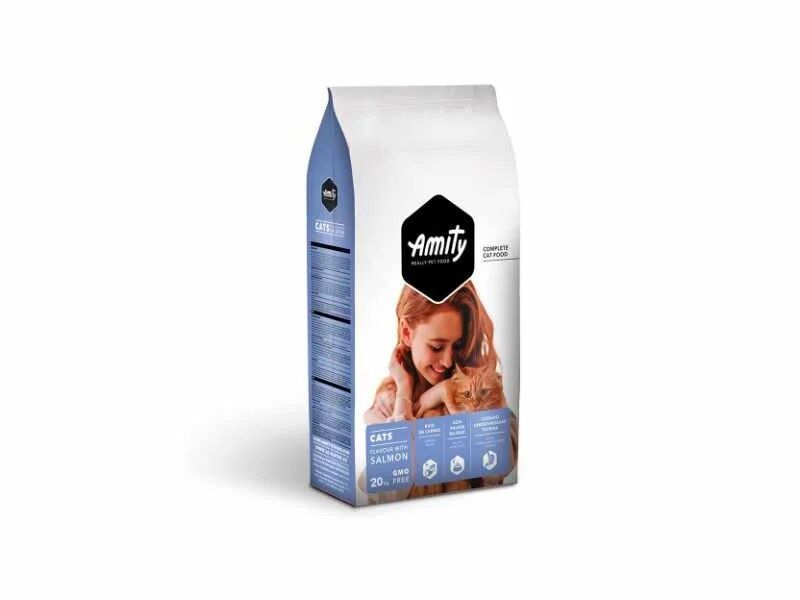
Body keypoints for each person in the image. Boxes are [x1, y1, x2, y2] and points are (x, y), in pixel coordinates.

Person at [361, 282, 518, 502]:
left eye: (457, 346)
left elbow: (498, 467)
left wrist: (448, 391)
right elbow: (387, 491)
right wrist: (404, 391)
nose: (447, 361)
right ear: (406, 332)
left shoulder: (479, 388)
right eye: (436, 347)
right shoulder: (390, 402)